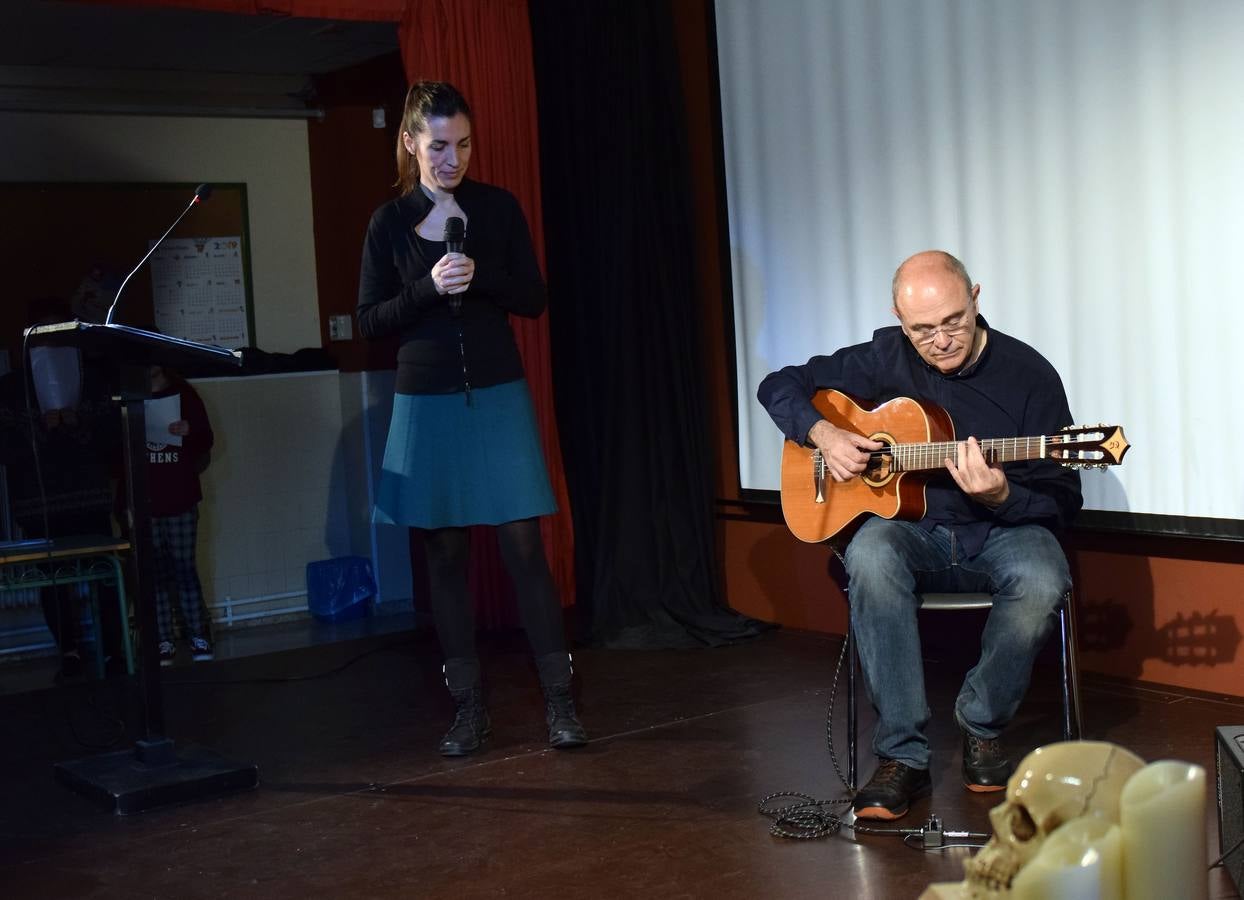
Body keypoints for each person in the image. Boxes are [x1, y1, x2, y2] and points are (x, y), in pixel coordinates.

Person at [757, 250, 1082, 820]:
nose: (941, 340)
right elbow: (778, 384)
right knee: (871, 557)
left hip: (1002, 531)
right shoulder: (884, 356)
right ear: (899, 318)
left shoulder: (1030, 375)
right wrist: (823, 433)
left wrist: (1001, 496)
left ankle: (980, 724)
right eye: (922, 329)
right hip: (914, 531)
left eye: (953, 321)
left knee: (1042, 575)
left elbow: (1064, 499)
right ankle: (901, 755)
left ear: (976, 297)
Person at [357, 80, 586, 756]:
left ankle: (561, 704)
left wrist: (478, 274)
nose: (451, 159)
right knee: (445, 553)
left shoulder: (495, 208)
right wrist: (427, 289)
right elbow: (370, 321)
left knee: (523, 547)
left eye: (461, 145)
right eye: (437, 147)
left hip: (496, 392)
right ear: (409, 142)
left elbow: (535, 299)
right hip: (424, 401)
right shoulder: (388, 224)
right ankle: (468, 709)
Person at [144, 365, 215, 666]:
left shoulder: (185, 395)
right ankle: (163, 638)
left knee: (184, 568)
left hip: (180, 493)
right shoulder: (129, 397)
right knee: (154, 573)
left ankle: (197, 633)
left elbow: (205, 440)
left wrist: (189, 432)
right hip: (145, 497)